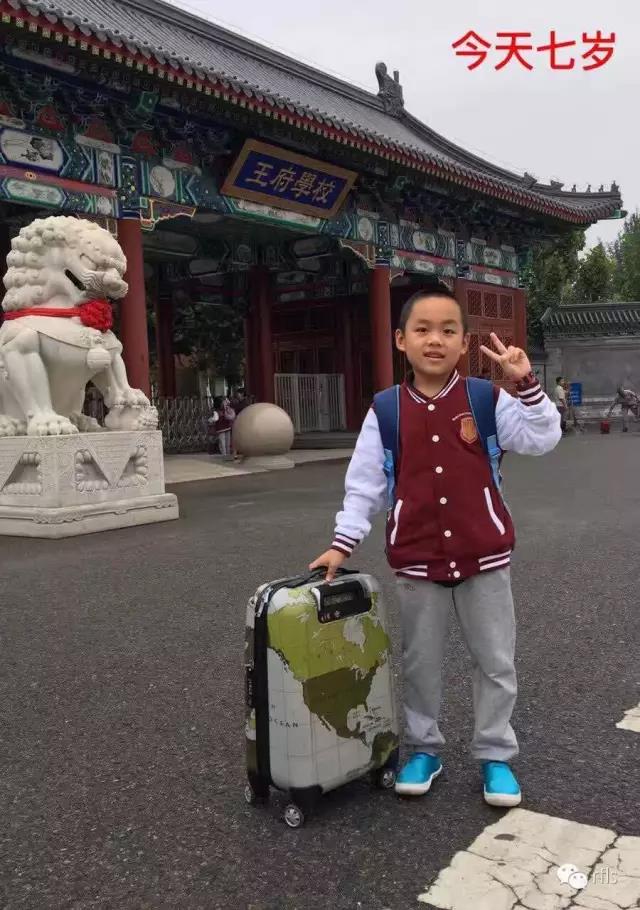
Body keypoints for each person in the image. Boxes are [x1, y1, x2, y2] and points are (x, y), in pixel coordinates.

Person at [309, 286, 561, 808]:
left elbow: (543, 438)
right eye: (422, 329)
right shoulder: (386, 410)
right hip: (417, 558)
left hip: (484, 555)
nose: (435, 340)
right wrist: (341, 544)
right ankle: (424, 748)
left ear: (464, 342)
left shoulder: (485, 400)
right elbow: (364, 486)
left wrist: (526, 383)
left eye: (448, 330)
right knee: (420, 664)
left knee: (495, 662)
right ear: (400, 340)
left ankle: (495, 754)